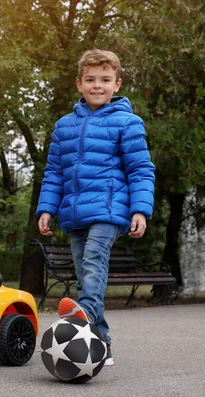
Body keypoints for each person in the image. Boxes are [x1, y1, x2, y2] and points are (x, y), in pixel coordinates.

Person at [36, 49, 156, 367]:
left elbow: (141, 169)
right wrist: (46, 208)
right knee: (85, 273)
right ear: (79, 84)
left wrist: (140, 210)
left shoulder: (127, 123)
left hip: (109, 209)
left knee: (93, 261)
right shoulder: (63, 126)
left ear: (117, 83)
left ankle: (85, 313)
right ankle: (101, 343)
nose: (97, 85)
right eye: (90, 79)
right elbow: (53, 173)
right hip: (75, 213)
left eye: (105, 79)